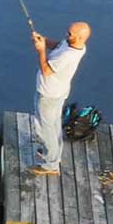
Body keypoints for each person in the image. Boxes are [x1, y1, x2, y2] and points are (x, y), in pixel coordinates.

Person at [30, 21, 90, 176]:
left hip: (49, 94)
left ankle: (51, 165)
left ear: (79, 38)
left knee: (45, 128)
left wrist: (41, 50)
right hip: (59, 93)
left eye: (70, 34)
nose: (66, 35)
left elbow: (46, 70)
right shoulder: (75, 45)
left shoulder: (67, 56)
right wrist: (44, 40)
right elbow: (58, 45)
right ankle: (54, 154)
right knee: (54, 124)